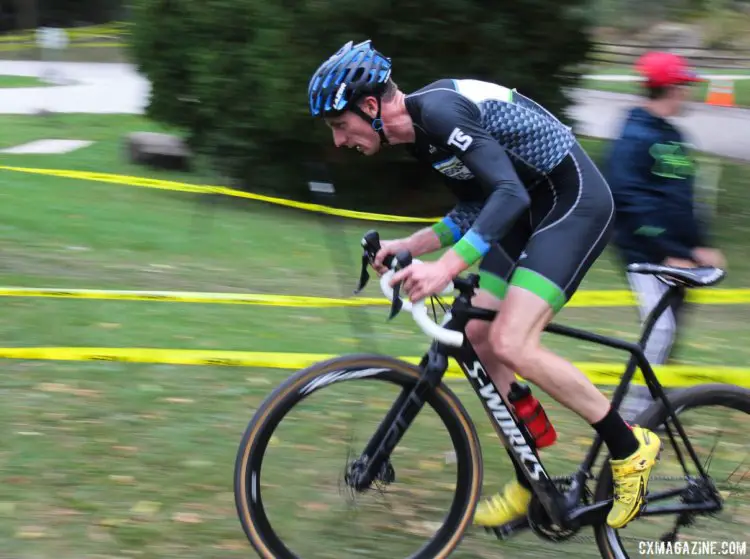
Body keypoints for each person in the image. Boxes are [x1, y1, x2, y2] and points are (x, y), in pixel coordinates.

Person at [308, 39, 662, 530]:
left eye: (338, 125)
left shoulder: (438, 113)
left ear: (369, 107)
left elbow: (508, 193)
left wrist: (445, 269)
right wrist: (412, 245)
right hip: (524, 209)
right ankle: (531, 475)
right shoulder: (418, 136)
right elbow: (478, 206)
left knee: (513, 341)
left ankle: (630, 446)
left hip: (570, 202)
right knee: (477, 338)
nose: (339, 140)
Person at [604, 51, 727, 423]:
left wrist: (698, 245)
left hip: (677, 256)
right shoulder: (635, 136)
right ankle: (628, 424)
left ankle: (652, 412)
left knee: (666, 338)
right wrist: (668, 252)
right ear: (671, 88)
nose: (688, 93)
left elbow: (682, 199)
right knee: (660, 333)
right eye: (685, 86)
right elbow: (629, 199)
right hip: (646, 255)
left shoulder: (672, 136)